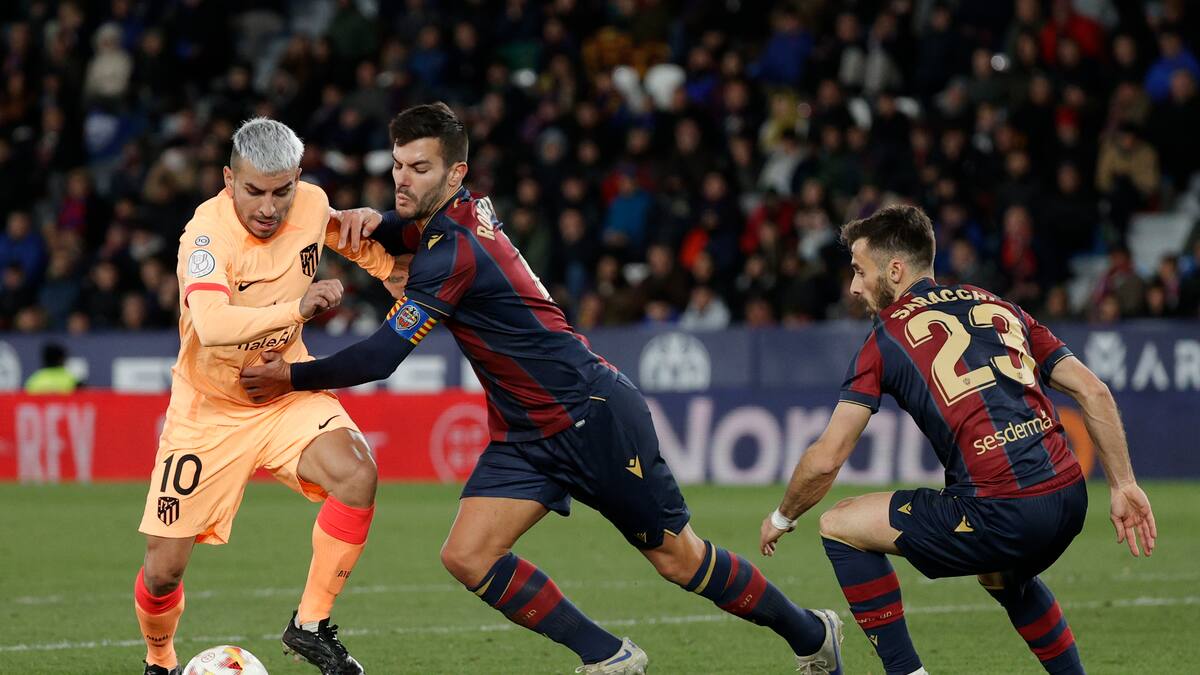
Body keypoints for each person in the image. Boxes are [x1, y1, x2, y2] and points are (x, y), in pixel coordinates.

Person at [240, 102, 844, 674]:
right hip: (527, 430)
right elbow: (411, 226)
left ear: (456, 171)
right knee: (468, 554)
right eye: (397, 165)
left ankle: (813, 634)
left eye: (419, 168)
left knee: (679, 560)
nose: (402, 178)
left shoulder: (453, 249)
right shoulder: (461, 212)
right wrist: (384, 223)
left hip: (591, 416)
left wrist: (290, 376)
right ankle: (608, 656)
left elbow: (381, 357)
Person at [759, 205, 1158, 675]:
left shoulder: (884, 338)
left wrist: (783, 516)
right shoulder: (995, 303)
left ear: (894, 269)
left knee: (840, 525)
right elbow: (1094, 390)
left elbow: (826, 460)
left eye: (859, 271)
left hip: (1001, 511)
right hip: (1069, 498)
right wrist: (1123, 483)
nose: (854, 286)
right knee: (1003, 575)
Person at [133, 118, 405, 675]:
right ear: (228, 179)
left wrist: (395, 278)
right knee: (163, 571)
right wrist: (297, 310)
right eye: (254, 190)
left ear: (298, 179)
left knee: (358, 475)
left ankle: (309, 626)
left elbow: (342, 236)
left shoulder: (310, 203)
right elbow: (209, 324)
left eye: (281, 190)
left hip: (285, 387)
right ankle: (159, 659)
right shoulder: (205, 237)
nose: (268, 206)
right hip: (208, 410)